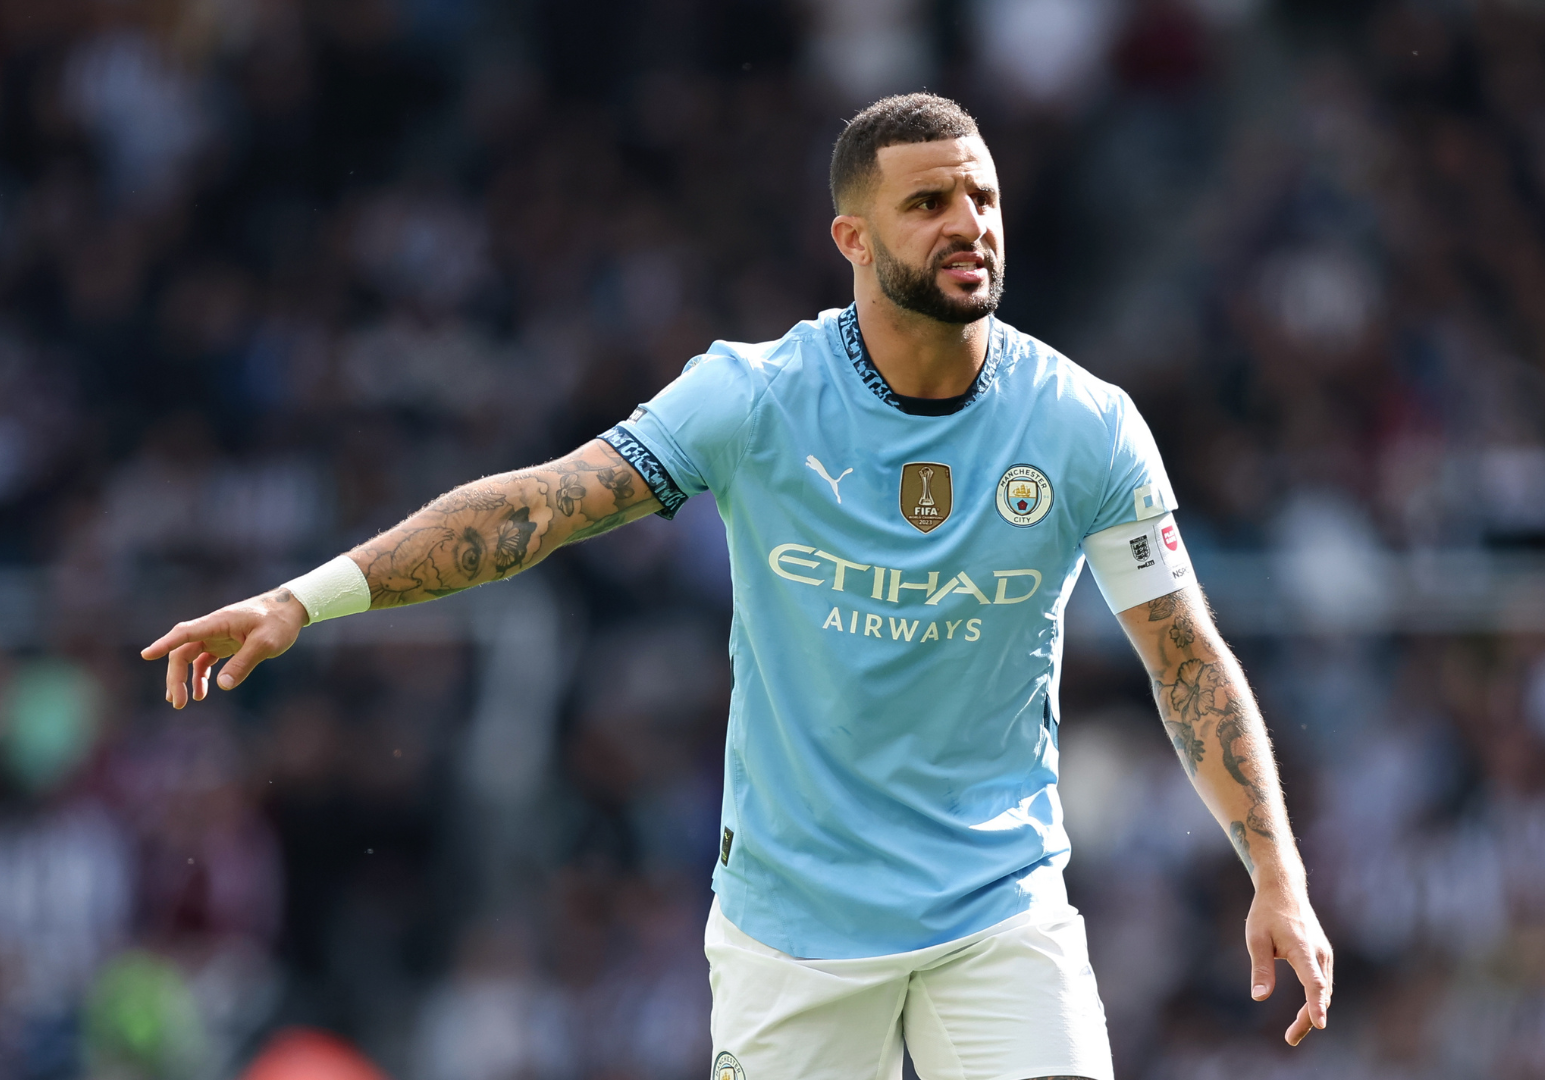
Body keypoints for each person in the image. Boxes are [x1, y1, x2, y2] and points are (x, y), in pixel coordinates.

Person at [143, 94, 1332, 1080]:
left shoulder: (1084, 428)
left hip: (998, 912)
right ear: (852, 240)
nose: (965, 222)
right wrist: (307, 598)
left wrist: (1272, 869)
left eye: (980, 197)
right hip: (790, 929)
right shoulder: (754, 399)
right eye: (926, 203)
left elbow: (1184, 658)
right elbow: (537, 509)